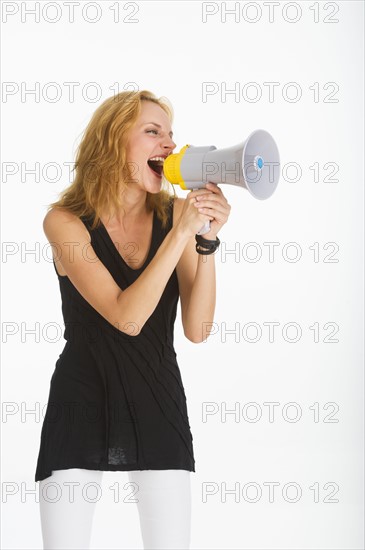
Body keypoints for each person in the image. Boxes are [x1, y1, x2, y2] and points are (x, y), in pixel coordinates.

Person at [35, 90, 231, 549]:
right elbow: (126, 318)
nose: (169, 144)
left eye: (170, 134)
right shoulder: (64, 222)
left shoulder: (173, 217)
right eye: (152, 131)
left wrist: (205, 245)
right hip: (80, 402)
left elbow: (198, 331)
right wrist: (182, 231)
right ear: (111, 140)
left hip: (158, 402)